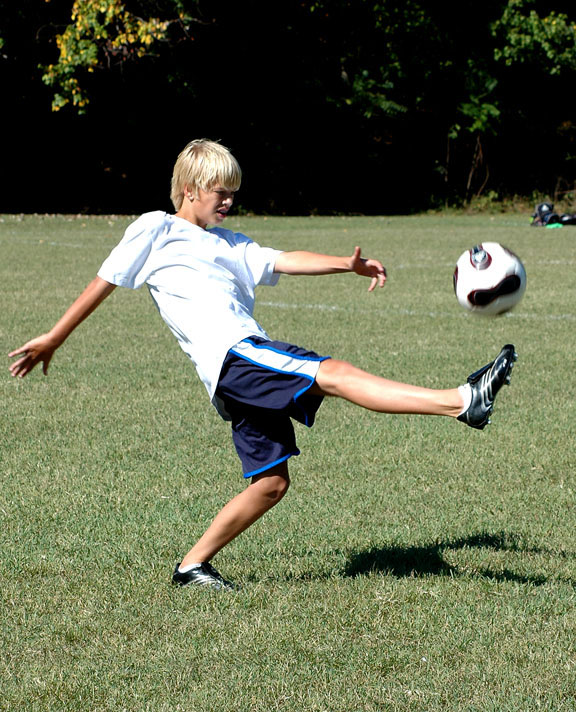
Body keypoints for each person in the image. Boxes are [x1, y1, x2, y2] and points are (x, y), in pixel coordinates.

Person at [8, 139, 517, 591]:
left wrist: (346, 264)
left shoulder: (230, 243)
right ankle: (460, 402)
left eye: (232, 191)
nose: (228, 200)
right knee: (332, 373)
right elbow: (107, 279)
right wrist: (55, 336)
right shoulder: (157, 228)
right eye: (219, 191)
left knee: (271, 483)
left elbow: (282, 260)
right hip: (236, 354)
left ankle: (191, 567)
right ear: (188, 189)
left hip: (229, 375)